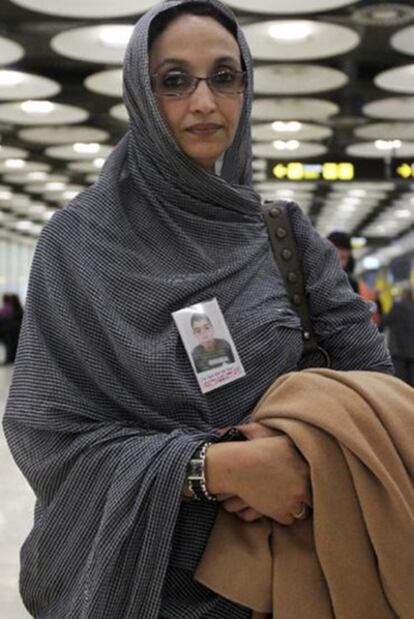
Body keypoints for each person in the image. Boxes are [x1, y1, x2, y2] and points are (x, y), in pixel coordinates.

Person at [3, 1, 393, 617]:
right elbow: (49, 432)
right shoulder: (79, 243)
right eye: (174, 80)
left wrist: (298, 451)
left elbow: (376, 390)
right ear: (140, 91)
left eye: (225, 76)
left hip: (292, 573)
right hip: (145, 584)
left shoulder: (283, 236)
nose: (205, 102)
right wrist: (217, 468)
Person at [383, 288, 414, 387]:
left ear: (403, 295)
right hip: (412, 350)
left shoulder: (398, 306)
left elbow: (385, 321)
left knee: (401, 381)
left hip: (399, 350)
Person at [0, 293, 23, 364]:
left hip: (9, 331)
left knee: (10, 345)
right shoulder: (18, 309)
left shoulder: (8, 308)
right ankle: (11, 359)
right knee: (12, 345)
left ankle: (10, 359)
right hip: (13, 331)